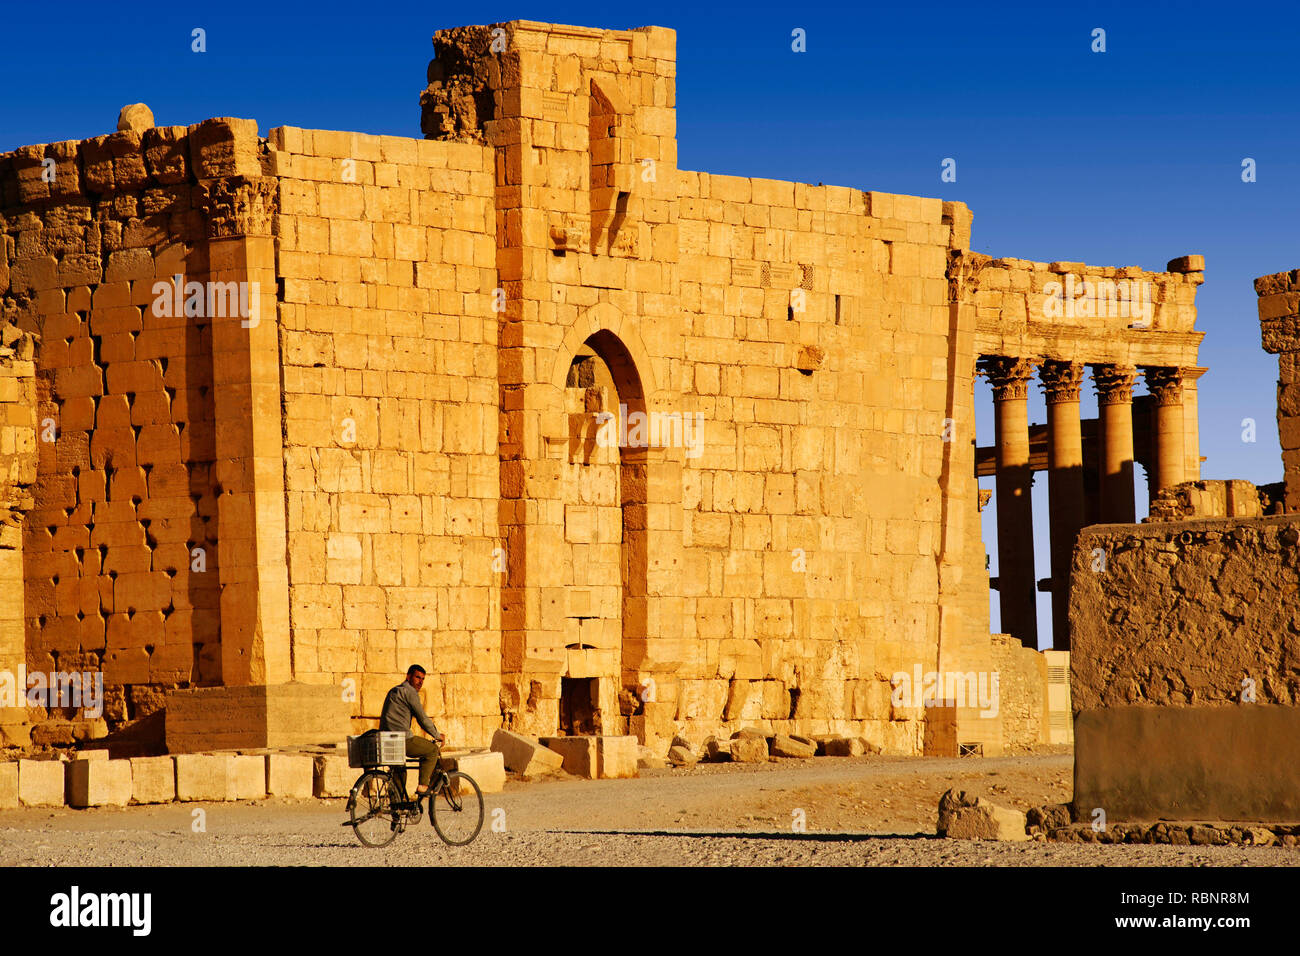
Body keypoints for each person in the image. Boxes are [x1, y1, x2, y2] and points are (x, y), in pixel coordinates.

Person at [380, 665, 445, 803]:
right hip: (402, 739)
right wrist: (437, 735)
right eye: (417, 677)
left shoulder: (394, 691)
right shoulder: (410, 693)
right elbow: (422, 719)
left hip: (386, 740)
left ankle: (397, 811)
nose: (420, 682)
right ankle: (423, 785)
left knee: (399, 771)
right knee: (432, 750)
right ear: (408, 676)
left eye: (422, 679)